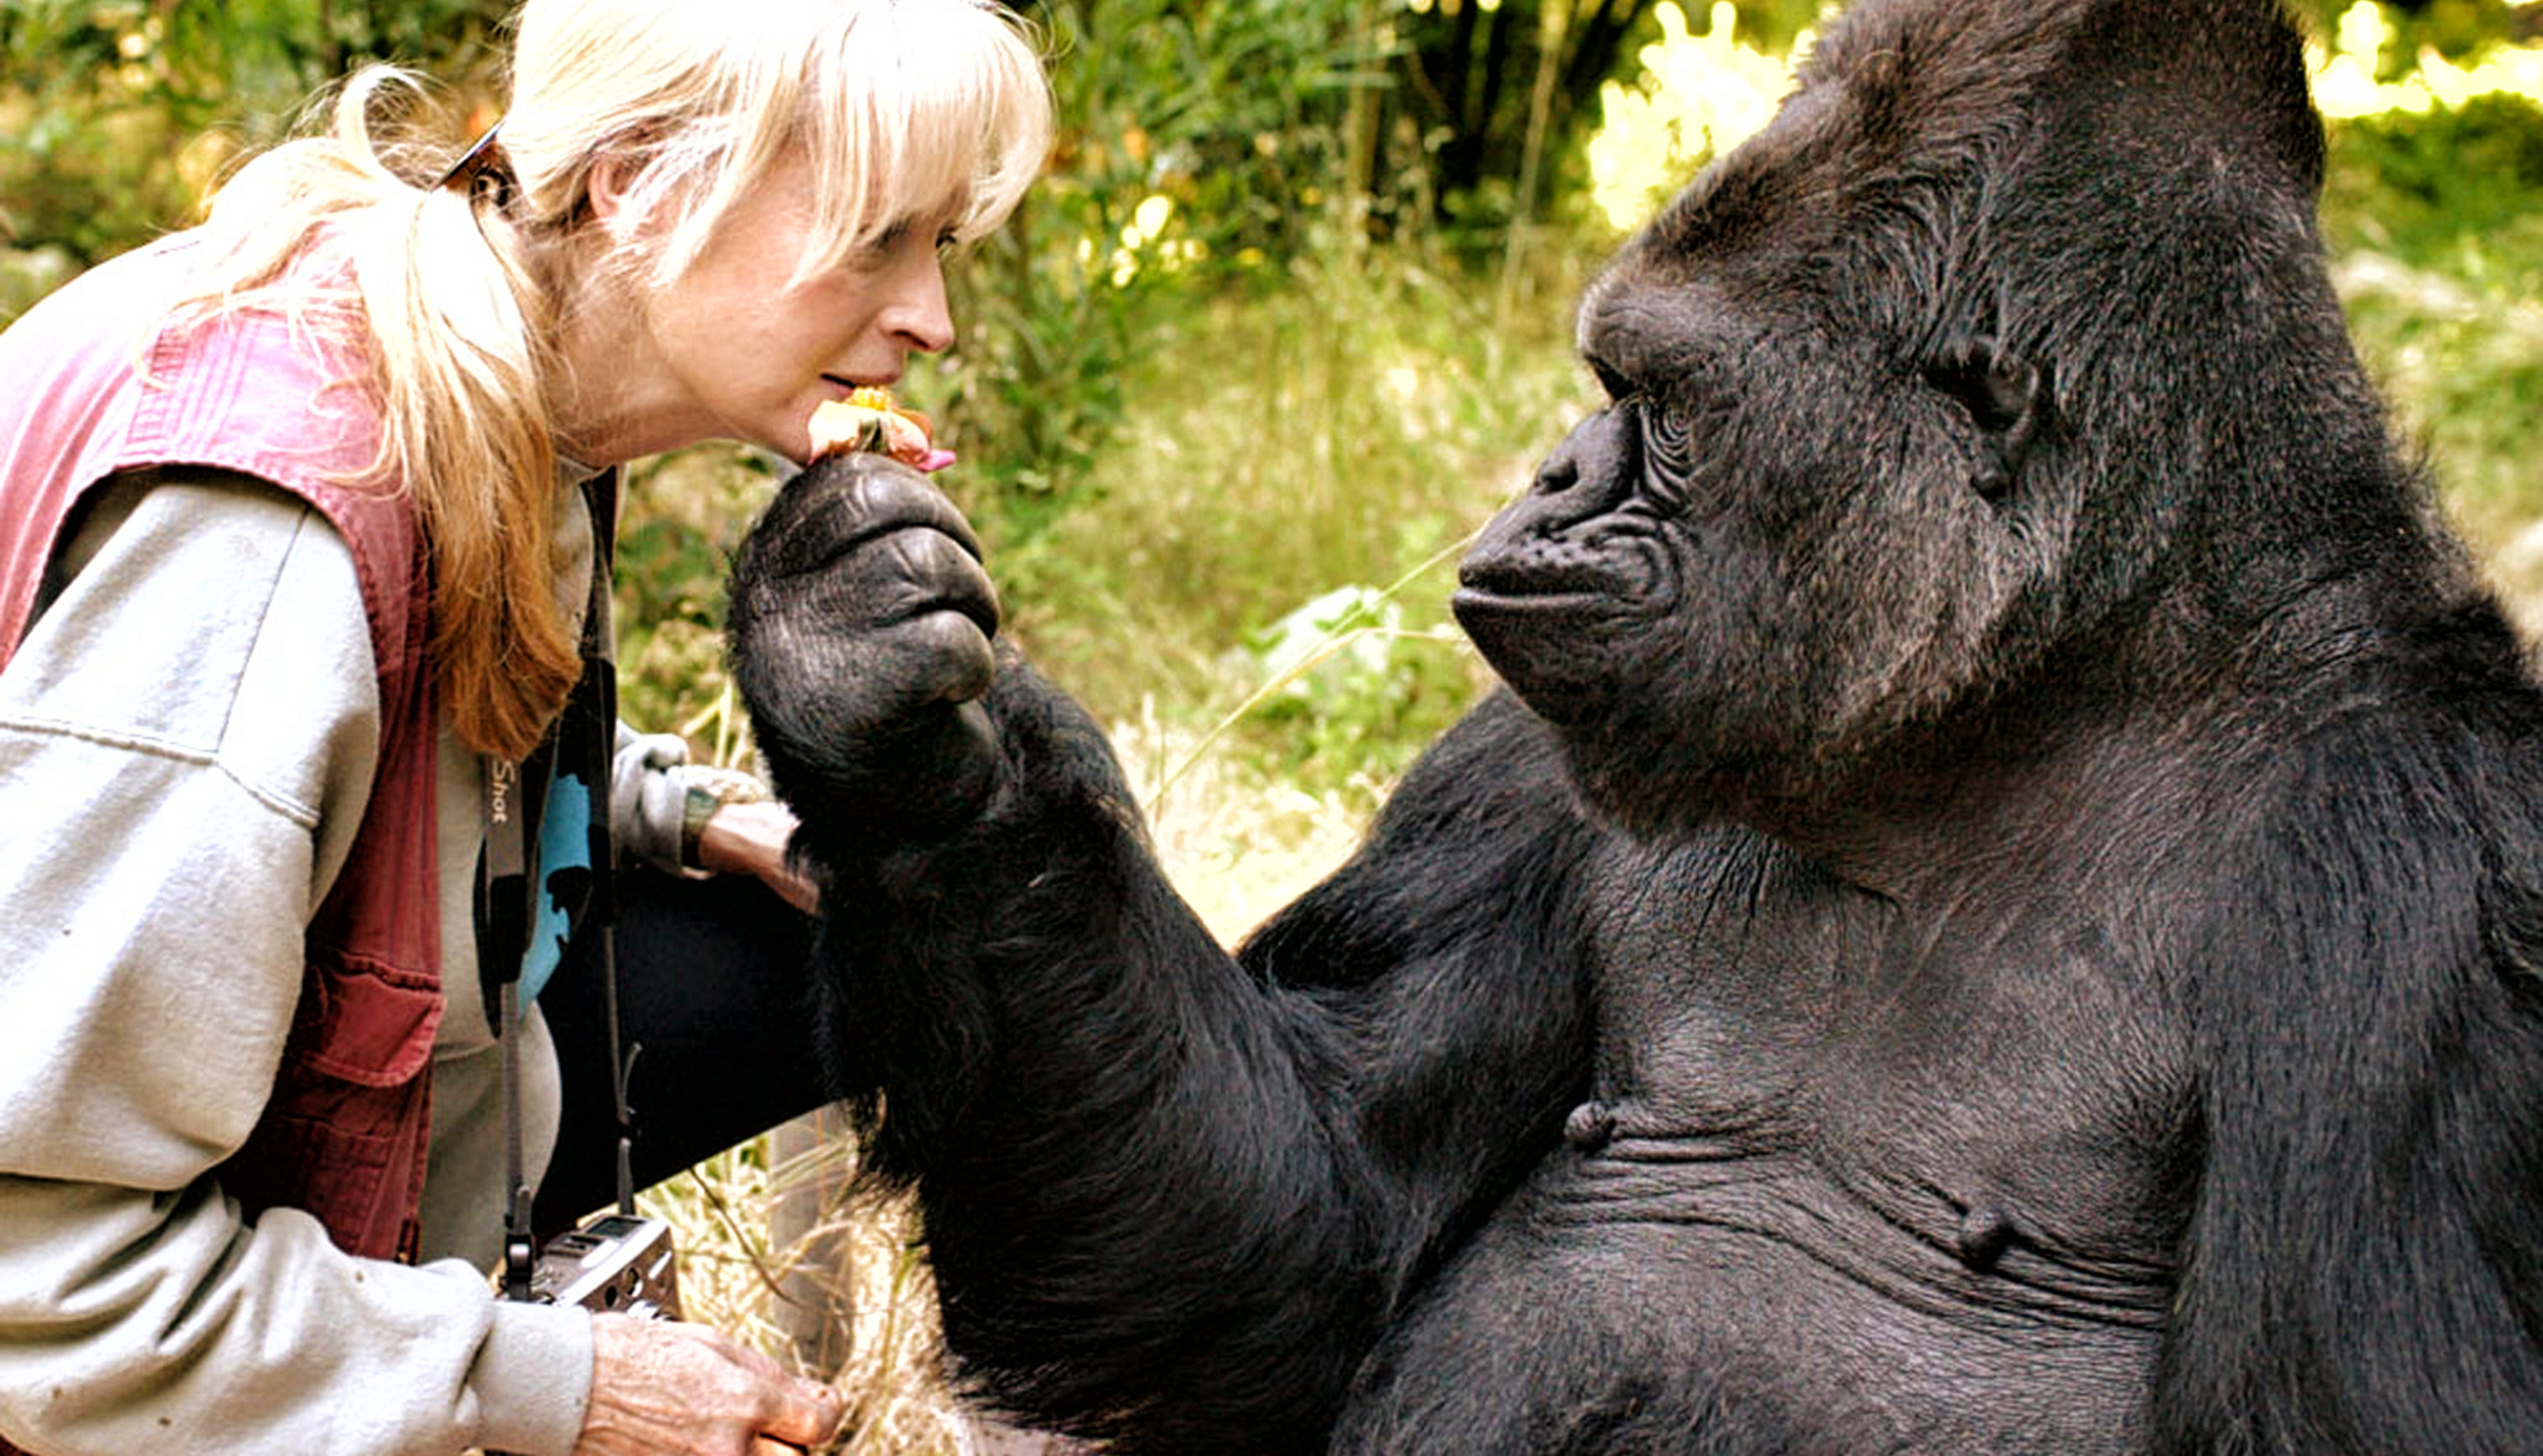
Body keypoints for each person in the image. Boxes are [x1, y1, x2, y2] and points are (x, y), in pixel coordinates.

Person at [0, 0, 1051, 1451]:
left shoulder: (479, 356)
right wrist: (562, 1388)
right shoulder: (265, 549)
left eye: (942, 244)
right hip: (77, 1300)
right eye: (878, 237)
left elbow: (376, 746)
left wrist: (681, 815)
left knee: (863, 930)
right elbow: (37, 1287)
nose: (930, 315)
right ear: (635, 184)